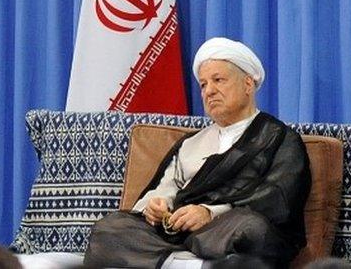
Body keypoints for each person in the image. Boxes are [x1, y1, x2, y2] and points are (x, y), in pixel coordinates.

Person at [84, 38, 311, 268]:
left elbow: (279, 197)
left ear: (248, 84)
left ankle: (171, 262)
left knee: (251, 230)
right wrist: (157, 205)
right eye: (203, 85)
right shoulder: (191, 143)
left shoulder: (279, 138)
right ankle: (188, 264)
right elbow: (167, 185)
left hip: (224, 229)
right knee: (109, 229)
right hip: (178, 233)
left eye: (218, 80)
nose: (209, 91)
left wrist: (209, 212)